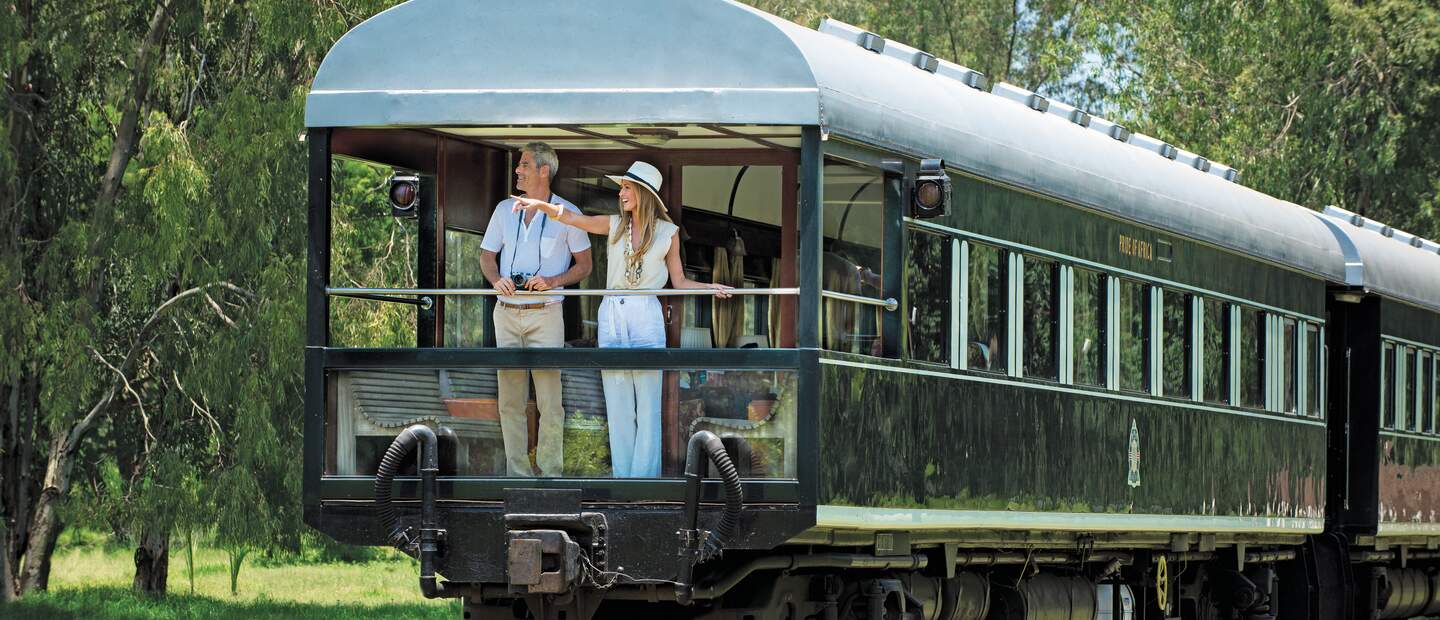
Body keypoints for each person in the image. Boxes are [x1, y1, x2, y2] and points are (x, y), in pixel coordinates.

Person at [510, 161, 729, 478]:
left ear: (643, 193)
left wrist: (711, 288)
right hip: (612, 311)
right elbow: (574, 219)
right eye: (621, 188)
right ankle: (624, 480)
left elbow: (679, 282)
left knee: (648, 403)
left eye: (627, 188)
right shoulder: (614, 226)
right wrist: (541, 205)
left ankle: (645, 480)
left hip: (646, 312)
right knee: (618, 402)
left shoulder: (669, 233)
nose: (621, 194)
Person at [479, 142, 593, 477]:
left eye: (525, 165)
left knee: (549, 402)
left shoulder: (566, 212)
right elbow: (486, 256)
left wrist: (554, 280)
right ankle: (518, 475)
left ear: (544, 170)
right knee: (510, 401)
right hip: (506, 313)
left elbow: (585, 265)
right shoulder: (503, 210)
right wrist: (497, 279)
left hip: (545, 313)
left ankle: (551, 474)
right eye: (519, 165)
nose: (518, 170)